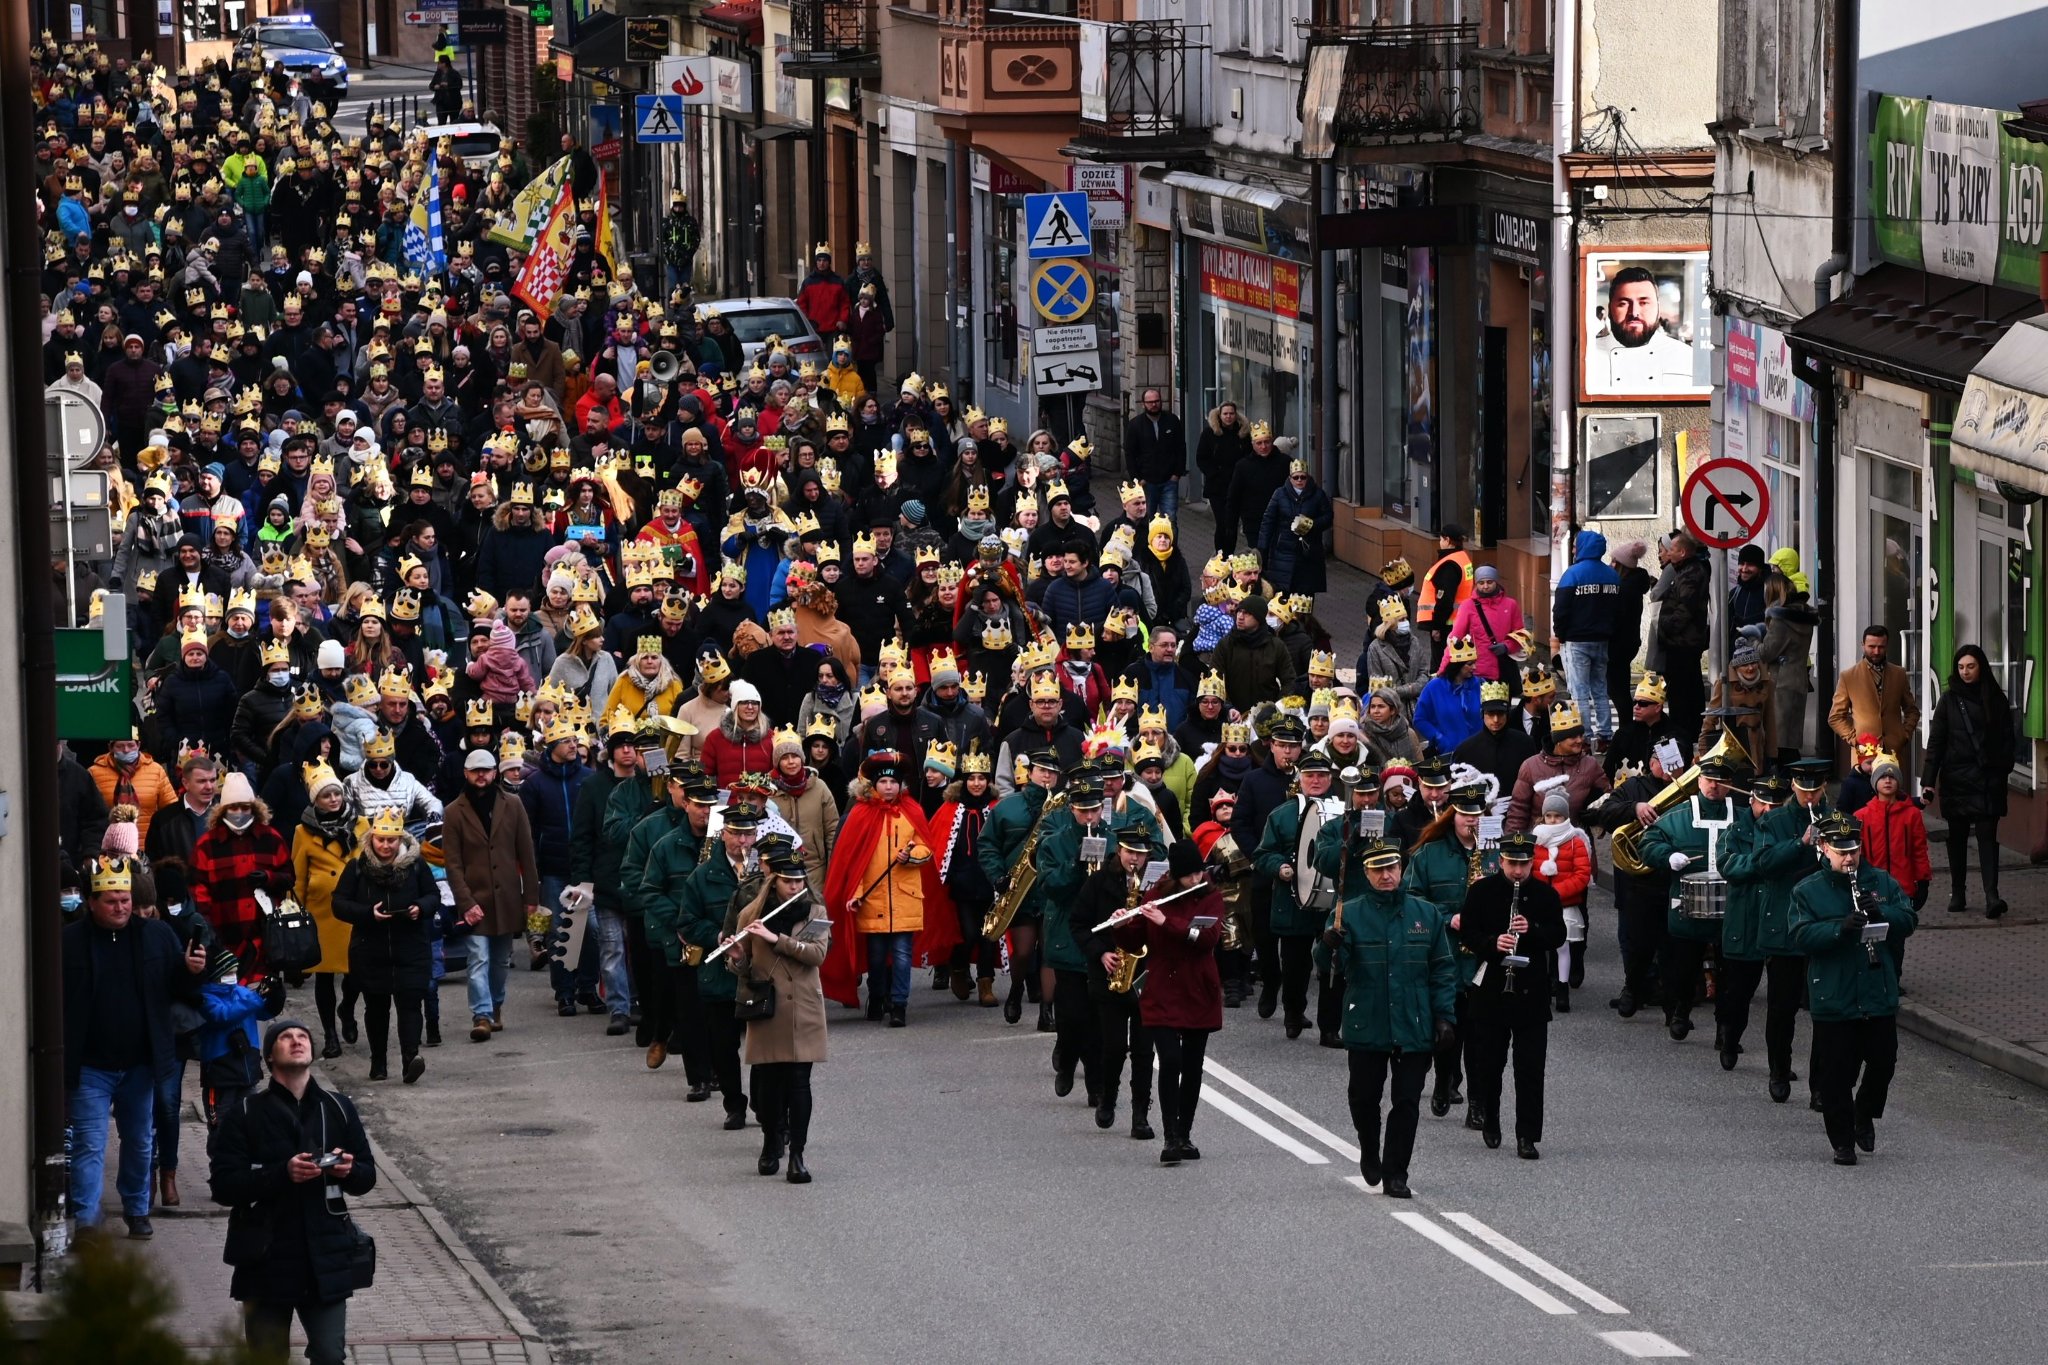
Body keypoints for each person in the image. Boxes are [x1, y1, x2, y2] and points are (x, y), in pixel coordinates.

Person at [208, 1019, 378, 1362]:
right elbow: (224, 1185)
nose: (297, 1041)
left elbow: (367, 1176)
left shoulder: (338, 1107)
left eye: (303, 1037)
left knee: (330, 1355)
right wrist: (282, 1174)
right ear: (270, 1056)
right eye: (286, 1037)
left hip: (324, 1257)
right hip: (266, 1259)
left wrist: (348, 1171)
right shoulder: (245, 1113)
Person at [66, 855, 207, 1239]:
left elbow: (180, 990)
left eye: (125, 900)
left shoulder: (156, 936)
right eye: (111, 901)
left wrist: (191, 971)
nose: (120, 907)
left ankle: (136, 1208)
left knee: (140, 1140)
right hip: (90, 1065)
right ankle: (86, 1220)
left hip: (140, 1063)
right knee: (90, 1143)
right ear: (92, 902)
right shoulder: (70, 942)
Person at [1330, 838, 1457, 1198]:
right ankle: (1369, 1149)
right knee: (1363, 1098)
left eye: (1392, 867)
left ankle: (1396, 1172)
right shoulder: (1348, 913)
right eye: (1378, 869)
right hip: (1367, 1020)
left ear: (1401, 869)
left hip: (1413, 1023)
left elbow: (1442, 969)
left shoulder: (1425, 914)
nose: (1386, 875)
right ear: (1366, 872)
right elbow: (1329, 968)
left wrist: (1444, 1016)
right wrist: (1328, 946)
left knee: (1407, 1102)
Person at [1788, 816, 1917, 1165]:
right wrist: (1839, 929)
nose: (1849, 858)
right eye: (1841, 852)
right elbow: (1800, 935)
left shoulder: (1881, 881)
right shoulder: (1807, 890)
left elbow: (1909, 920)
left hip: (1876, 989)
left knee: (1884, 1062)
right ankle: (1842, 1141)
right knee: (1836, 1073)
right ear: (1824, 848)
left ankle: (1864, 1112)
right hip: (1835, 993)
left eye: (1854, 851)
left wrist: (1883, 912)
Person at [821, 749, 957, 1026]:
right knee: (877, 956)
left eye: (893, 782)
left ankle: (899, 1005)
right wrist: (856, 893)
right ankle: (877, 997)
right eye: (883, 782)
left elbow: (926, 847)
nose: (888, 787)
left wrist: (912, 855)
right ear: (874, 785)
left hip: (906, 897)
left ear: (900, 785)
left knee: (902, 955)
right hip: (873, 899)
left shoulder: (912, 812)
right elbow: (852, 862)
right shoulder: (860, 814)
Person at [1116, 841, 1223, 1164]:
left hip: (1198, 989)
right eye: (1189, 875)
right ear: (1176, 875)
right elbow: (1136, 940)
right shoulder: (1155, 895)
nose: (1196, 879)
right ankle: (1170, 1136)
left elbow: (1206, 939)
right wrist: (1121, 926)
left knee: (1192, 1066)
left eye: (1198, 873)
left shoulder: (1211, 896)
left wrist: (1167, 923)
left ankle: (1185, 1134)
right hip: (1163, 988)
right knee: (1170, 1060)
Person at [1459, 832, 1565, 1158]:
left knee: (1530, 1069)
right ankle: (1491, 1119)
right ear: (1501, 861)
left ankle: (1527, 1135)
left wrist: (1531, 930)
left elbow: (1558, 935)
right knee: (1490, 1064)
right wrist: (1493, 943)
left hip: (1531, 993)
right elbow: (1468, 933)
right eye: (1512, 864)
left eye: (1524, 864)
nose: (1518, 871)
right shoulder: (1482, 892)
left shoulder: (1545, 895)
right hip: (1492, 990)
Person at [728, 843, 829, 1184]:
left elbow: (816, 955)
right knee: (769, 1087)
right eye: (788, 881)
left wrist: (776, 939)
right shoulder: (750, 915)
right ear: (775, 882)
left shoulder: (815, 912)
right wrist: (737, 956)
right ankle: (771, 1141)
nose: (795, 887)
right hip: (768, 1008)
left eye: (799, 881)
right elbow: (743, 969)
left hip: (803, 1007)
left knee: (800, 1083)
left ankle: (797, 1155)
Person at [1638, 751, 1745, 1042]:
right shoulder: (1679, 815)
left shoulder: (1742, 817)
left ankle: (1724, 1028)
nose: (1714, 786)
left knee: (1729, 973)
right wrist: (1667, 856)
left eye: (1721, 781)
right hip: (1688, 908)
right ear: (1699, 781)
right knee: (1684, 968)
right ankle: (1681, 1010)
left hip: (1731, 909)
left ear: (1730, 784)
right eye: (1709, 779)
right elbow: (1648, 843)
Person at [332, 808, 440, 1084]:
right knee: (376, 1008)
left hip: (411, 948)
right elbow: (339, 904)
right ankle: (378, 1061)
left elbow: (433, 895)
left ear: (400, 840)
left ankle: (410, 1059)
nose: (385, 845)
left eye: (391, 840)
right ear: (372, 839)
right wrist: (368, 913)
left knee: (410, 1005)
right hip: (371, 949)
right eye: (380, 839)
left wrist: (420, 908)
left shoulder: (416, 866)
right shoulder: (357, 867)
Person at [442, 748, 541, 1042]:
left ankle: (495, 1005)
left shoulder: (513, 804)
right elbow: (452, 864)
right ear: (466, 773)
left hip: (508, 897)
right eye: (476, 770)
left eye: (486, 770)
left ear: (495, 772)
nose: (481, 775)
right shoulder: (454, 812)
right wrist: (465, 902)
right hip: (475, 898)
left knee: (500, 960)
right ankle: (481, 1015)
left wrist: (531, 898)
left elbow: (526, 853)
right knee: (478, 958)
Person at [1252, 750, 1343, 1039]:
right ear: (1299, 778)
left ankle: (1330, 1028)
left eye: (1322, 775)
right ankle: (1293, 1012)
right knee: (1295, 964)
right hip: (1295, 900)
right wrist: (1279, 867)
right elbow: (1263, 853)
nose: (1315, 780)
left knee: (1332, 964)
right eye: (1309, 775)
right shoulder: (1282, 814)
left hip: (1334, 902)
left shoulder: (1343, 812)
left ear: (1330, 779)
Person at [1077, 826, 1159, 1138]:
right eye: (1129, 852)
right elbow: (1079, 924)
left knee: (1144, 1051)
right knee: (1113, 1047)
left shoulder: (1157, 886)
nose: (1135, 859)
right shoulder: (1098, 882)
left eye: (1141, 854)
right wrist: (1100, 953)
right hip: (1110, 976)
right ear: (1119, 851)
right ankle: (1108, 1099)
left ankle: (1140, 1115)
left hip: (1145, 977)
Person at [1922, 644, 2015, 917]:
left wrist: (2003, 768)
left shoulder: (1996, 699)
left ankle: (1991, 896)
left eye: (1971, 666)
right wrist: (1928, 781)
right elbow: (1936, 742)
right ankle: (1958, 892)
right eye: (1961, 667)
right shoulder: (1949, 700)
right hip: (1957, 780)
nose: (1965, 672)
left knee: (1987, 837)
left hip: (1988, 780)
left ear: (1981, 667)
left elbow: (2008, 739)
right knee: (1957, 837)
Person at [1551, 529, 1619, 745]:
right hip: (1603, 640)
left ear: (1582, 548)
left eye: (1575, 546)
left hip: (1576, 640)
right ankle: (1605, 735)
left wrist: (1560, 634)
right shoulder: (1612, 575)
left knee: (1579, 692)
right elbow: (1618, 610)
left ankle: (1585, 737)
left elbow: (1560, 610)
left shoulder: (1573, 574)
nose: (1573, 550)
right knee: (1600, 690)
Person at [1648, 530, 1711, 744]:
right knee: (1685, 689)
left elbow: (1686, 607)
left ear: (1682, 552)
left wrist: (1667, 625)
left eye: (1671, 550)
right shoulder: (1684, 570)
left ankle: (1684, 733)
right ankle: (1687, 730)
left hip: (1683, 643)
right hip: (1682, 641)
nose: (1667, 553)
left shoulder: (1690, 573)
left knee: (1682, 693)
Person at [1590, 265, 1695, 391]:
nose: (1634, 312)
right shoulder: (1589, 356)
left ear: (1658, 309)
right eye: (1623, 304)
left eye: (1644, 303)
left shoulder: (1685, 357)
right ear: (1610, 309)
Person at [1827, 624, 1919, 757]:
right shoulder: (1848, 677)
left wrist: (1904, 735)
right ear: (1862, 645)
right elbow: (1835, 717)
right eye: (1871, 646)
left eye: (1881, 647)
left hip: (1893, 752)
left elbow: (1912, 711)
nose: (1876, 651)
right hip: (1863, 754)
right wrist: (1855, 740)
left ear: (1887, 646)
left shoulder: (1899, 674)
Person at [1258, 458, 1334, 595]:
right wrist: (1262, 548)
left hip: (1309, 552)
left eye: (1303, 477)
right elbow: (1268, 521)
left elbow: (1328, 517)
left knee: (1305, 595)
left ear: (1308, 477)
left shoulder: (1318, 495)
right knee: (1283, 594)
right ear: (1290, 478)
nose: (1299, 480)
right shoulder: (1280, 494)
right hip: (1283, 551)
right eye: (1296, 477)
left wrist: (1312, 524)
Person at [1124, 388, 1188, 522]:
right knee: (1145, 519)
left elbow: (1180, 447)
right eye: (1150, 402)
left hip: (1169, 480)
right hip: (1146, 482)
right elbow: (1130, 453)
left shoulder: (1172, 420)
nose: (1154, 404)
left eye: (1157, 401)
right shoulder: (1135, 425)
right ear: (1143, 404)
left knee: (1170, 519)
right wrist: (1137, 478)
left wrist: (1177, 473)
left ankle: (1170, 538)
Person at [1416, 524, 1474, 657]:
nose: (1440, 542)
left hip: (1446, 625)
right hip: (1459, 621)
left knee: (1441, 663)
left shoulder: (1449, 565)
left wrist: (1437, 626)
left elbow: (1445, 599)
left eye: (1441, 539)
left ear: (1447, 540)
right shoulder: (1462, 558)